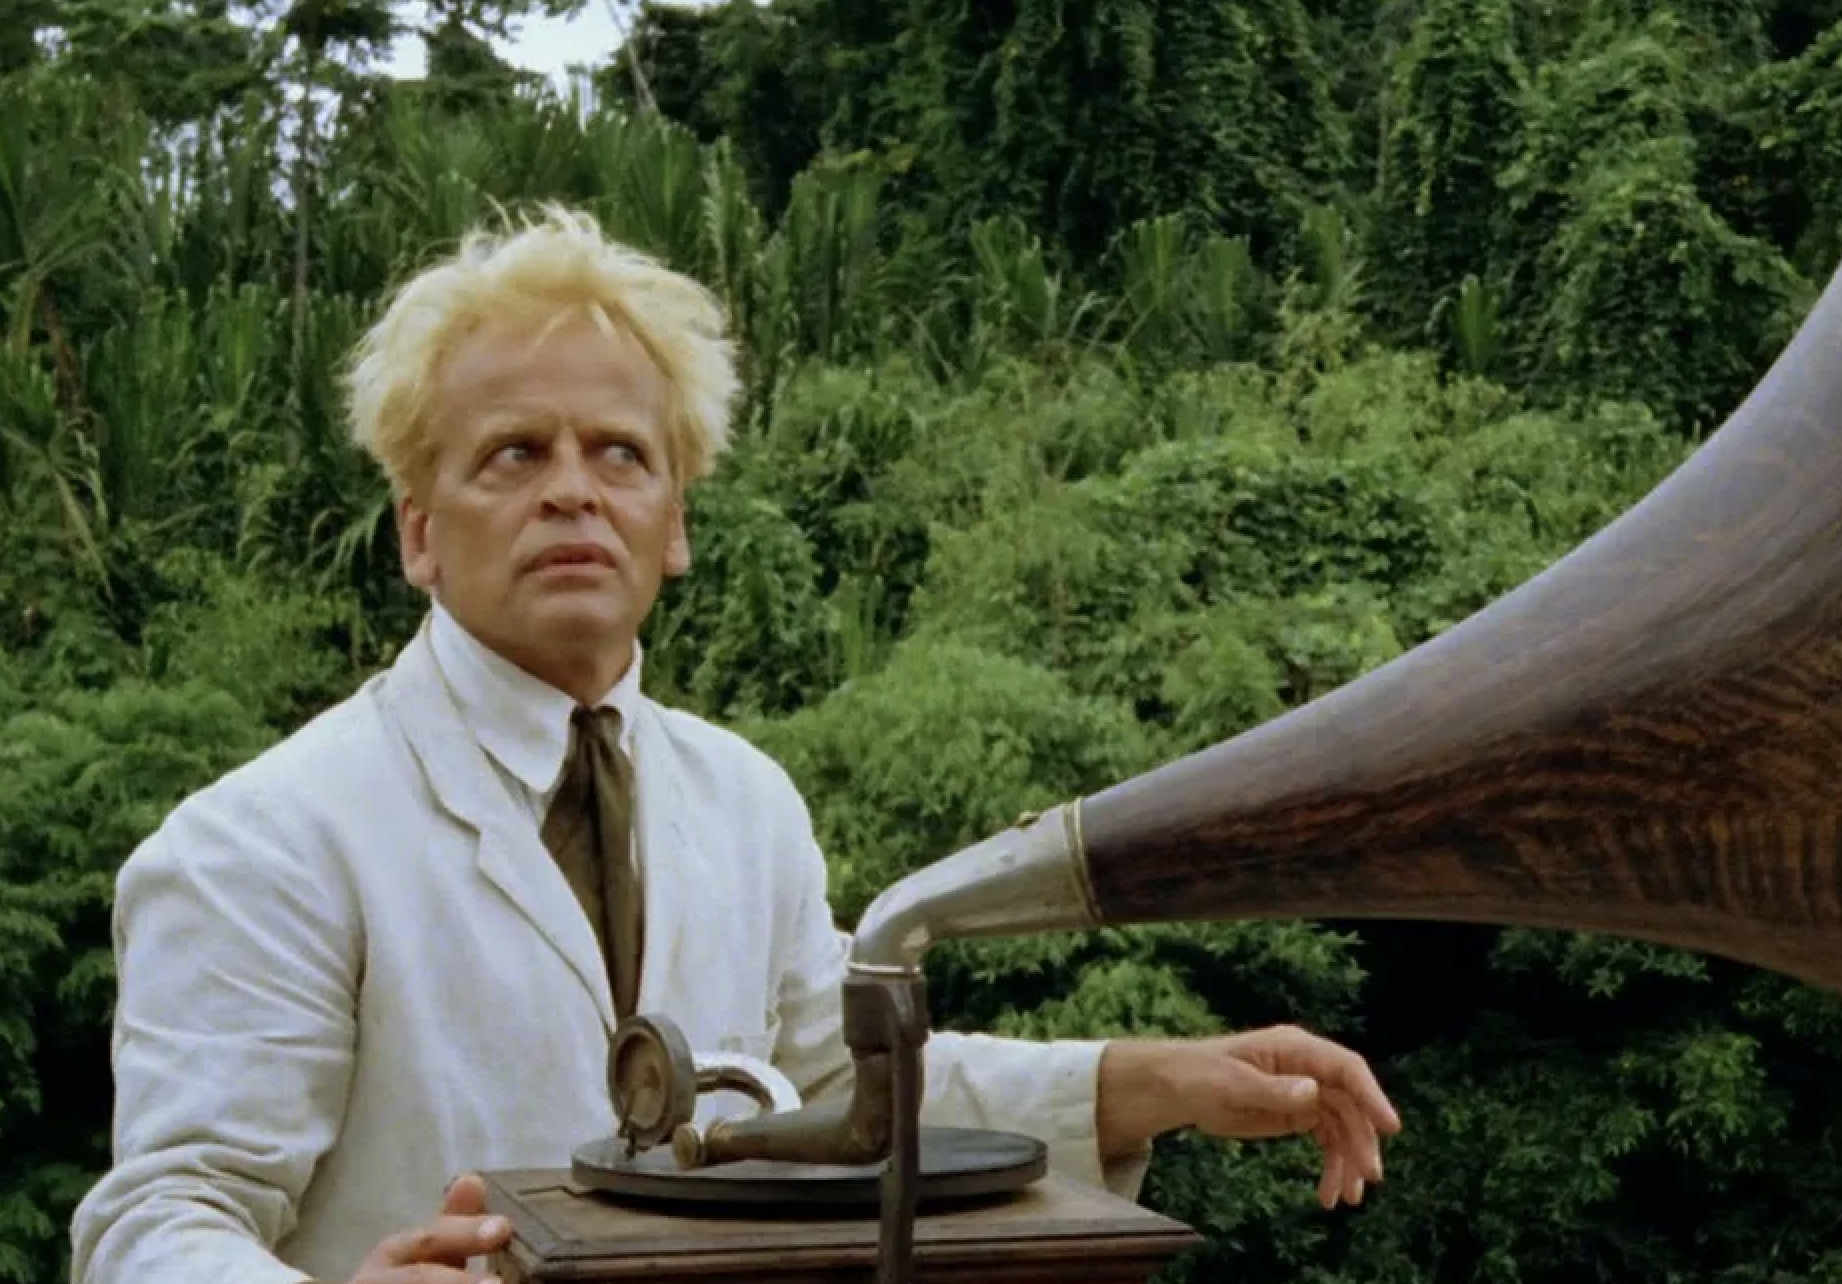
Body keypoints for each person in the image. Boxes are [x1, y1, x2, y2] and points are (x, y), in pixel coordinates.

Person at [67, 205, 1401, 1284]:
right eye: (514, 455)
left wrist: (1147, 1078)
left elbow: (831, 1085)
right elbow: (155, 1227)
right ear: (420, 531)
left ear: (677, 522)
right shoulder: (262, 841)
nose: (572, 489)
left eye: (619, 454)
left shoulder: (745, 797)